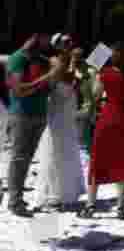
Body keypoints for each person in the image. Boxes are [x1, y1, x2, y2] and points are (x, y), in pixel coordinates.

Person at [81, 42, 124, 219]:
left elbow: (94, 96)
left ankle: (90, 205)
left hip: (108, 118)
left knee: (98, 162)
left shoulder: (104, 75)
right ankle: (120, 207)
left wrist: (87, 81)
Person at [4, 33, 64, 217]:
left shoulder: (40, 59)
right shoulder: (17, 59)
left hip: (39, 114)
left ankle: (18, 198)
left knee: (26, 159)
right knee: (19, 159)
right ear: (31, 38)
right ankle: (14, 201)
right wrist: (48, 76)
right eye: (41, 41)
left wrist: (57, 72)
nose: (44, 46)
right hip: (21, 114)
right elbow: (19, 90)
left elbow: (51, 86)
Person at [34, 34, 86, 211]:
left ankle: (68, 191)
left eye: (71, 42)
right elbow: (65, 79)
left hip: (67, 110)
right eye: (66, 43)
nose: (70, 45)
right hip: (57, 111)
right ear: (57, 46)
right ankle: (54, 193)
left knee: (69, 147)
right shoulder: (55, 60)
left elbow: (75, 84)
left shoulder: (71, 62)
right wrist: (73, 63)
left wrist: (77, 68)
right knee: (56, 149)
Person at [72, 45, 101, 151]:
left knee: (82, 146)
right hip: (72, 111)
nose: (76, 59)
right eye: (74, 56)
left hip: (85, 112)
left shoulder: (91, 72)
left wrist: (92, 111)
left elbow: (96, 93)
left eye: (78, 56)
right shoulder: (69, 70)